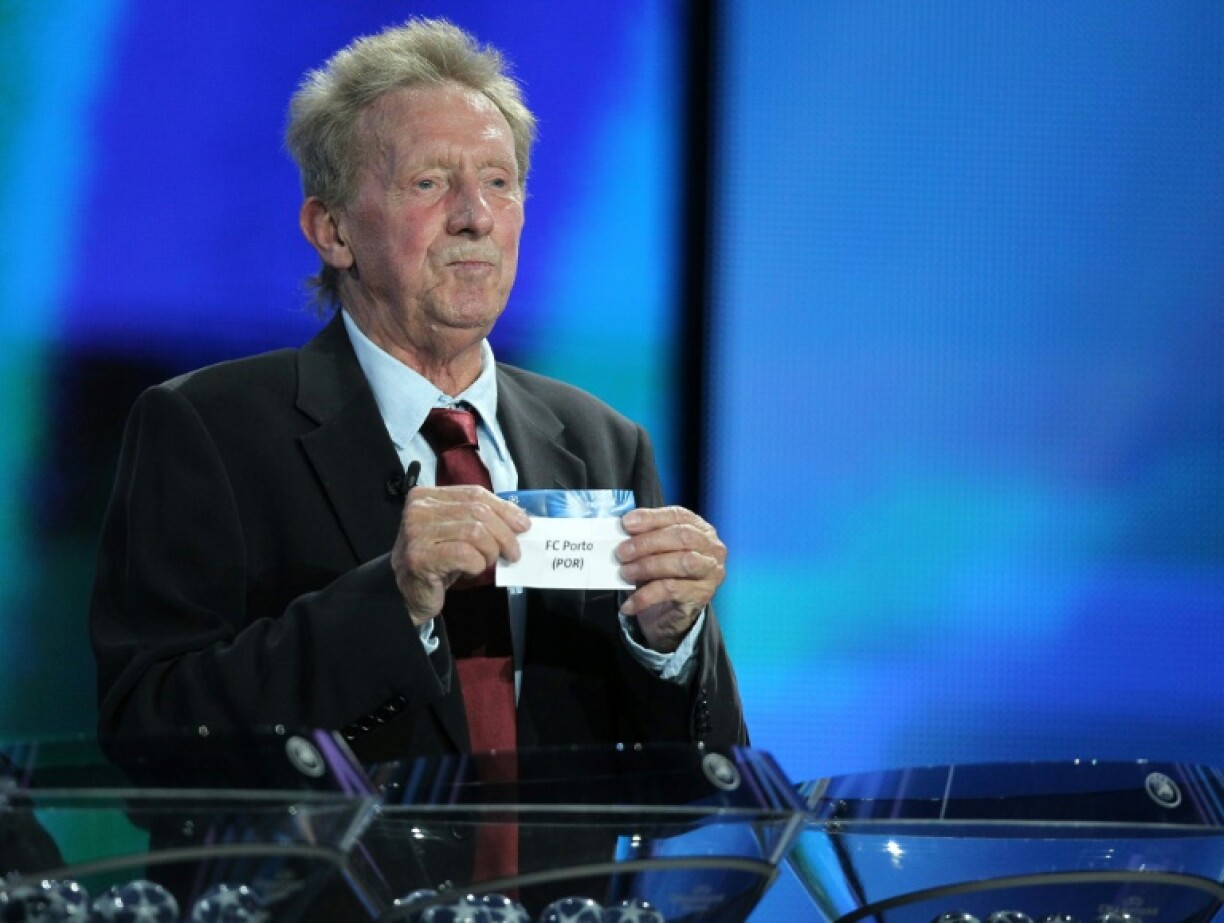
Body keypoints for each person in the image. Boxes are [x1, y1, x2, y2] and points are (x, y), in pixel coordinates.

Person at [90, 17, 746, 770]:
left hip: (554, 892)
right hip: (336, 889)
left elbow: (700, 782)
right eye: (430, 183)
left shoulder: (601, 441)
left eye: (499, 183)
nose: (475, 217)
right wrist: (393, 601)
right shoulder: (209, 427)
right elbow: (151, 730)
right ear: (331, 229)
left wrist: (668, 640)